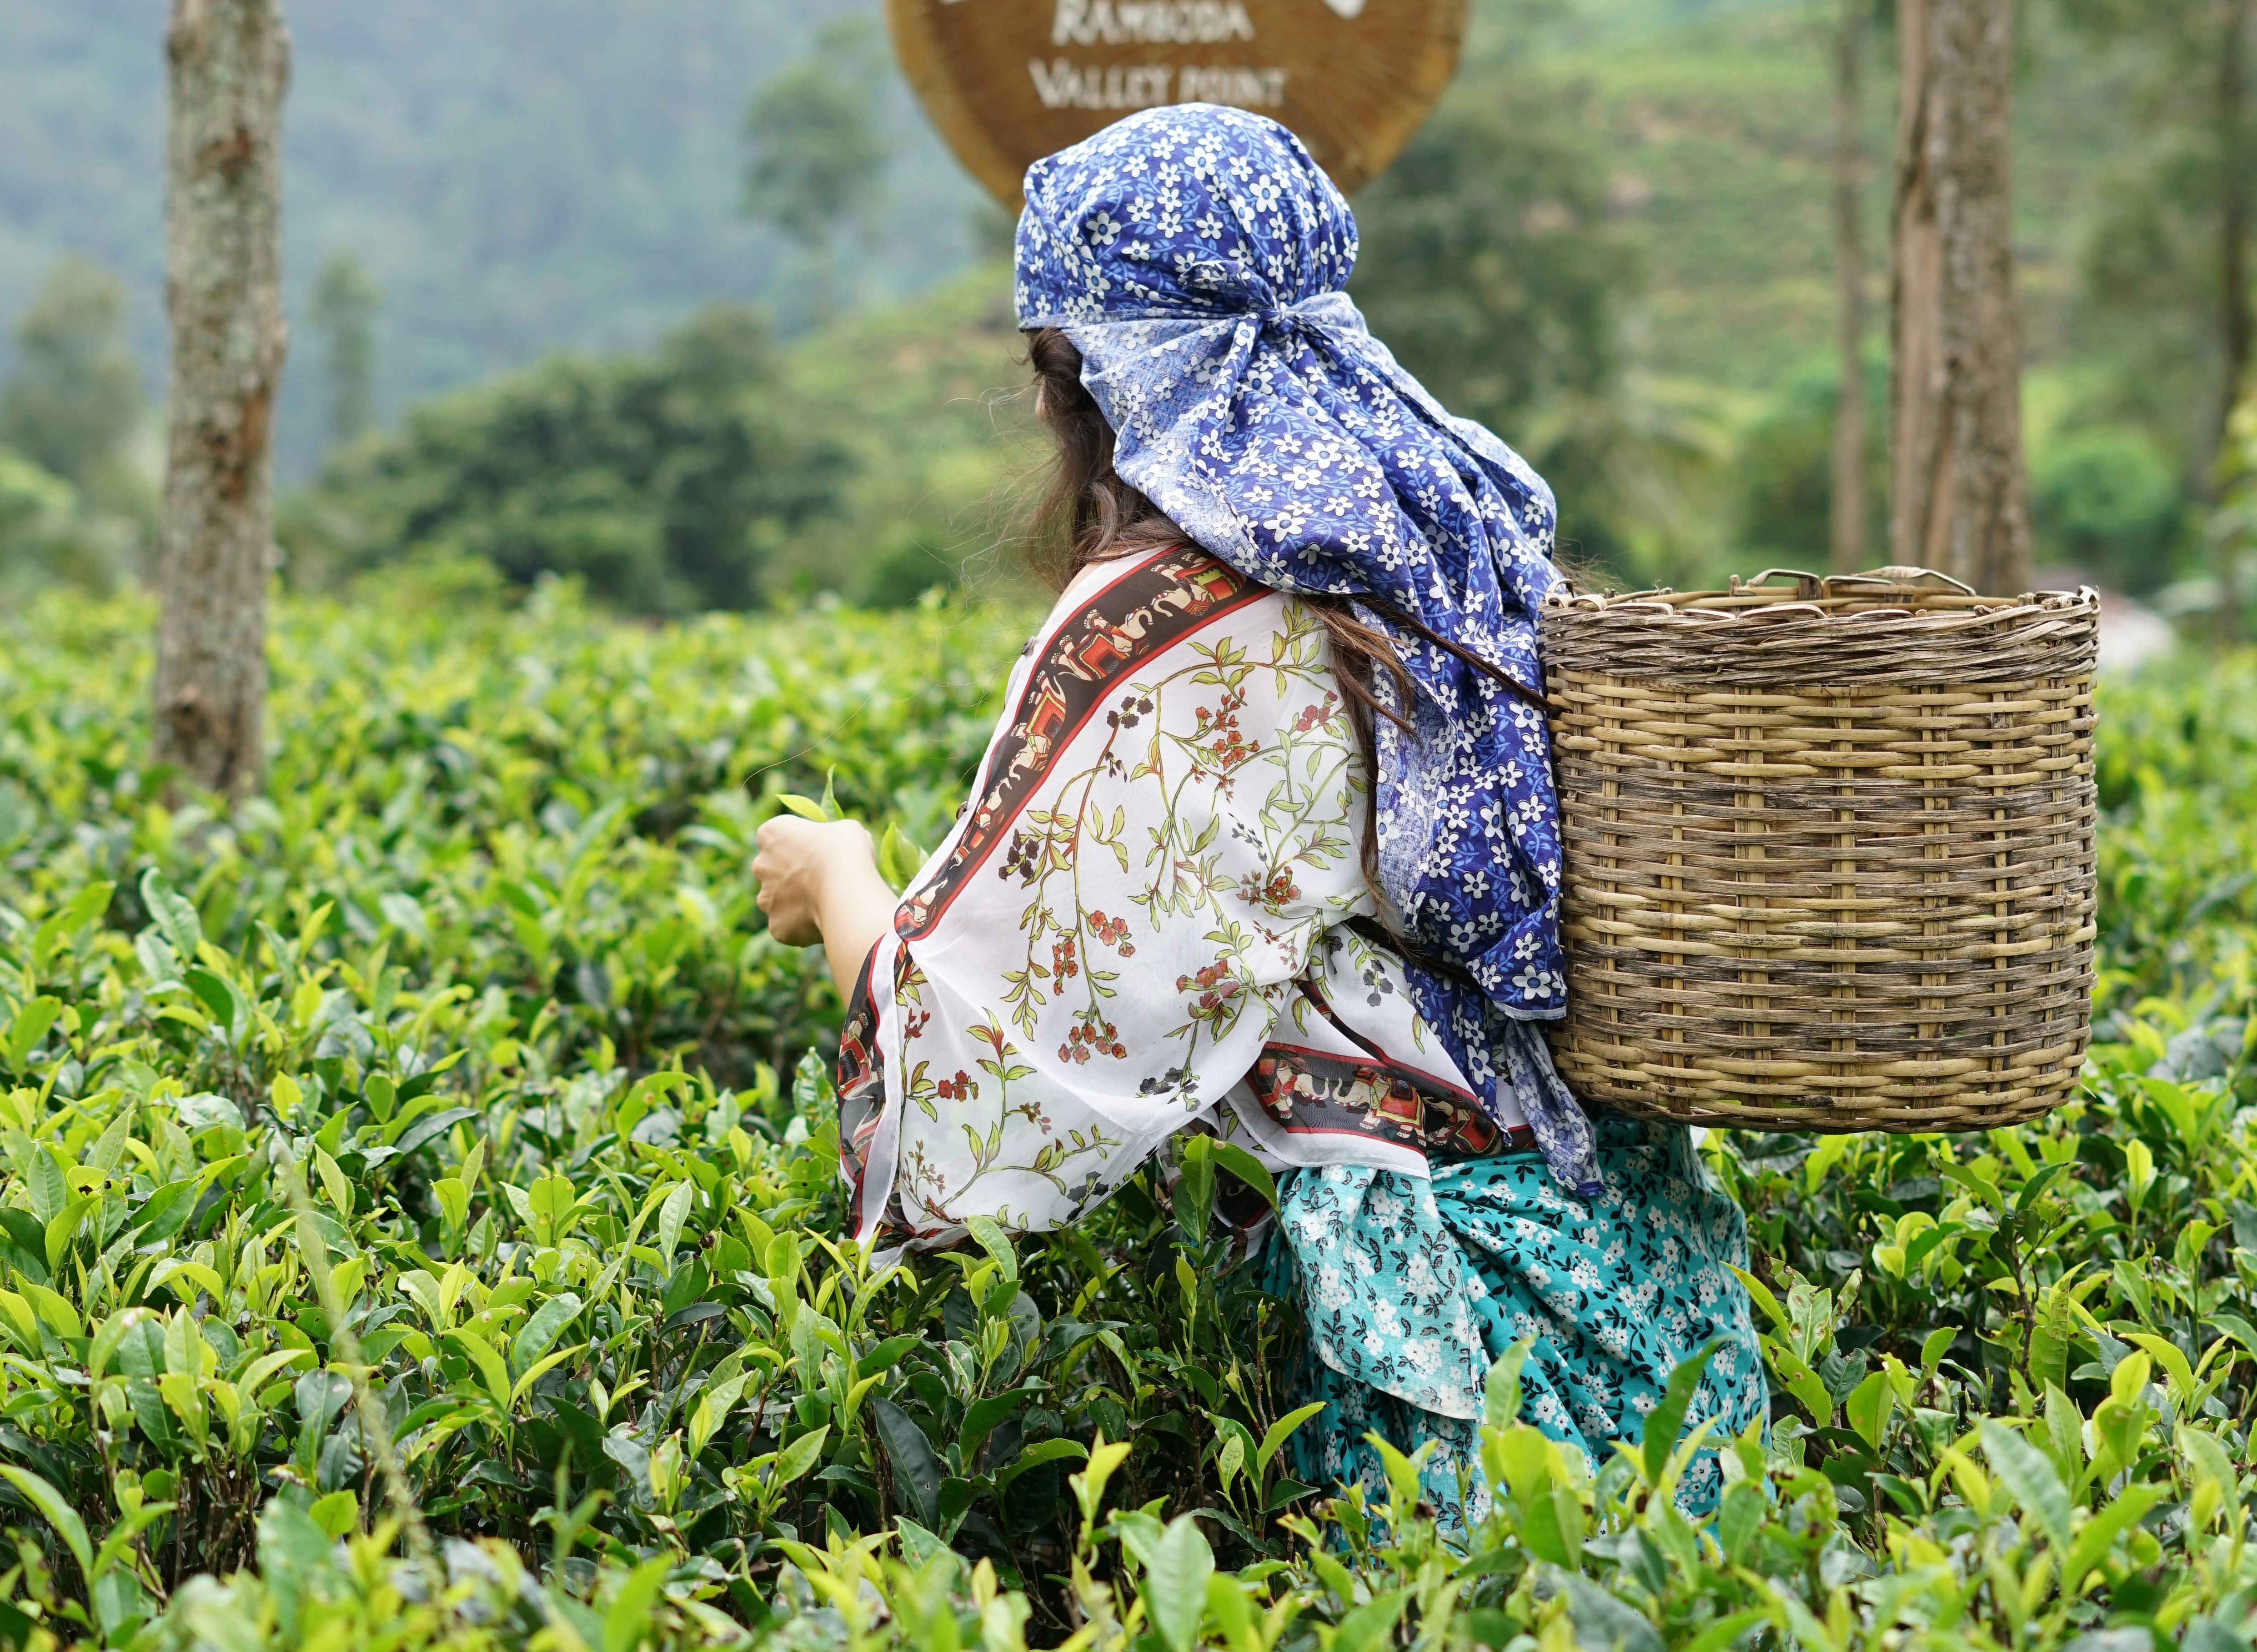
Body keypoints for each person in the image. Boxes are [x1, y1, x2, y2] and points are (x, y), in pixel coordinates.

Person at [752, 106, 1765, 1525]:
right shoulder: (1463, 534)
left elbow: (981, 1086)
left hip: (1440, 1351)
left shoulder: (1173, 619)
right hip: (1645, 1291)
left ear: (1094, 376)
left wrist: (836, 879)